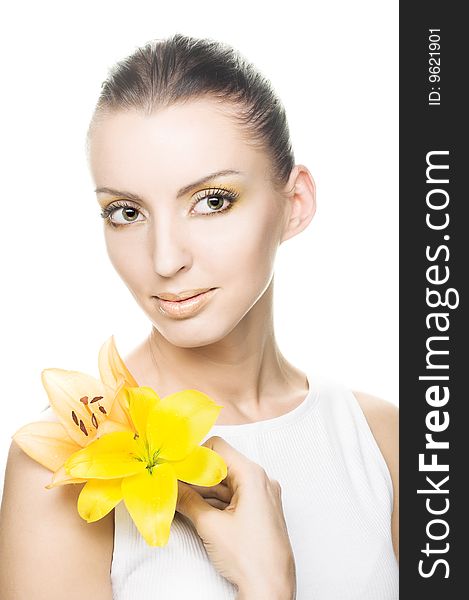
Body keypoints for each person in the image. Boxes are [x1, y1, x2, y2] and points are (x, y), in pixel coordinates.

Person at [0, 34, 398, 599]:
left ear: (295, 204)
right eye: (126, 211)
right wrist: (266, 584)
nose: (165, 259)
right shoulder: (67, 458)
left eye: (212, 200)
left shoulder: (383, 439)